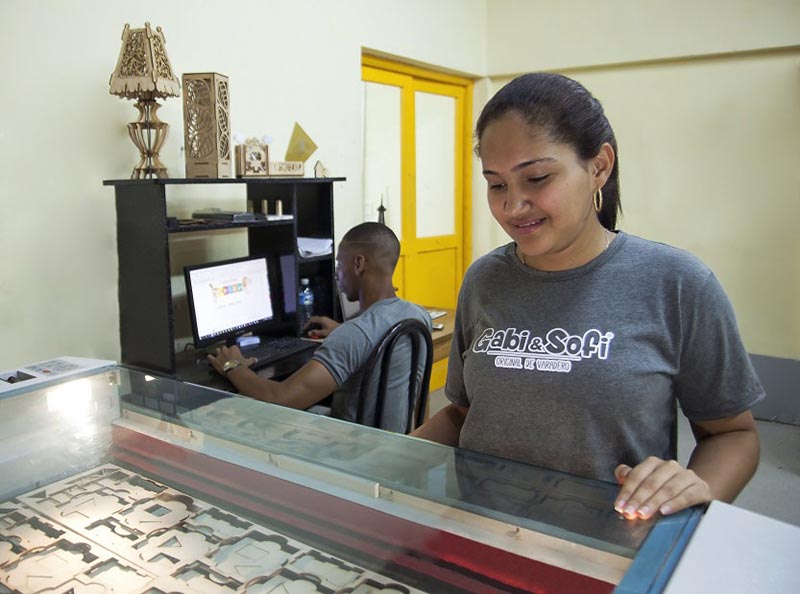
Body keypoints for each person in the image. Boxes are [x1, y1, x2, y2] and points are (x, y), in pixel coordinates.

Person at [412, 73, 764, 521]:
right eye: (496, 184)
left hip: (607, 550)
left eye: (537, 178)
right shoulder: (484, 280)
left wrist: (694, 489)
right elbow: (461, 414)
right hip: (484, 541)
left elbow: (734, 434)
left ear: (599, 166)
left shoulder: (677, 284)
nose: (512, 206)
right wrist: (383, 458)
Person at [208, 222, 432, 433]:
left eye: (339, 263)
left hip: (353, 455)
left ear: (358, 264)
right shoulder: (418, 316)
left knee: (240, 421)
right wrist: (344, 331)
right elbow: (379, 344)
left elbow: (280, 397)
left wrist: (232, 366)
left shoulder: (354, 335)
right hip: (395, 445)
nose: (336, 272)